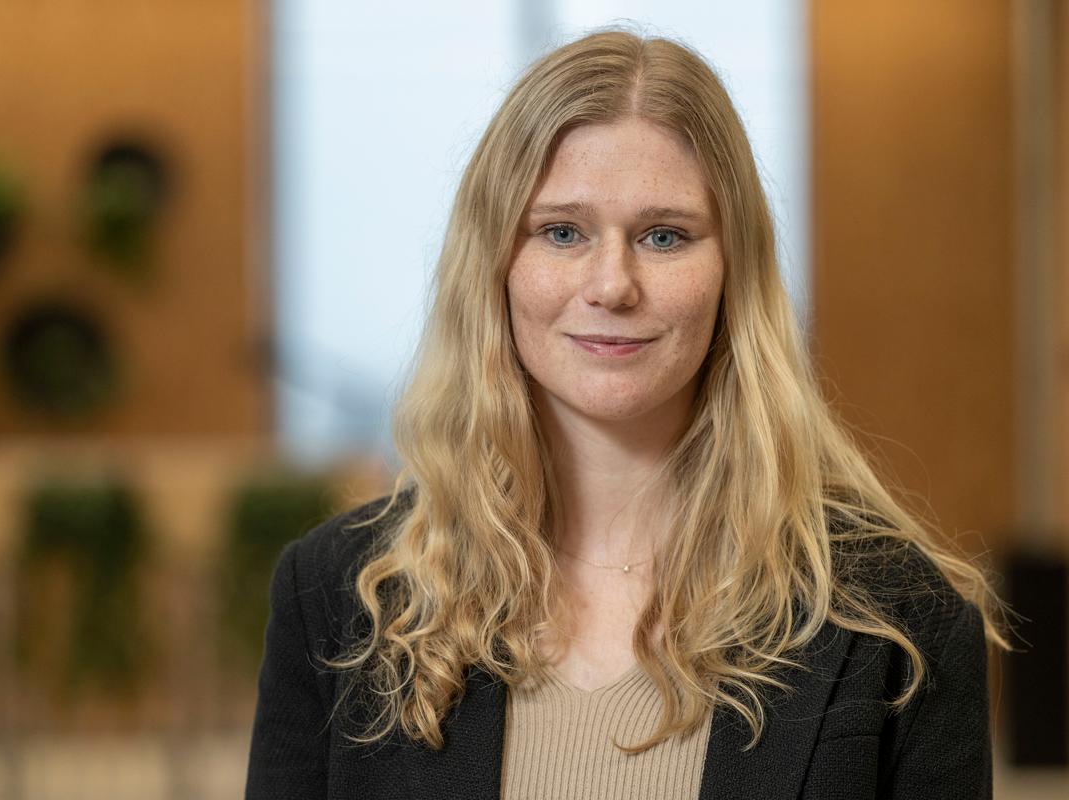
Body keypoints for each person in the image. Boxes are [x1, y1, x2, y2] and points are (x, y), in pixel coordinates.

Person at [245, 29, 1010, 800]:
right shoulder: (335, 598)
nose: (612, 285)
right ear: (494, 264)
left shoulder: (899, 624)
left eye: (664, 235)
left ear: (734, 270)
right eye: (562, 232)